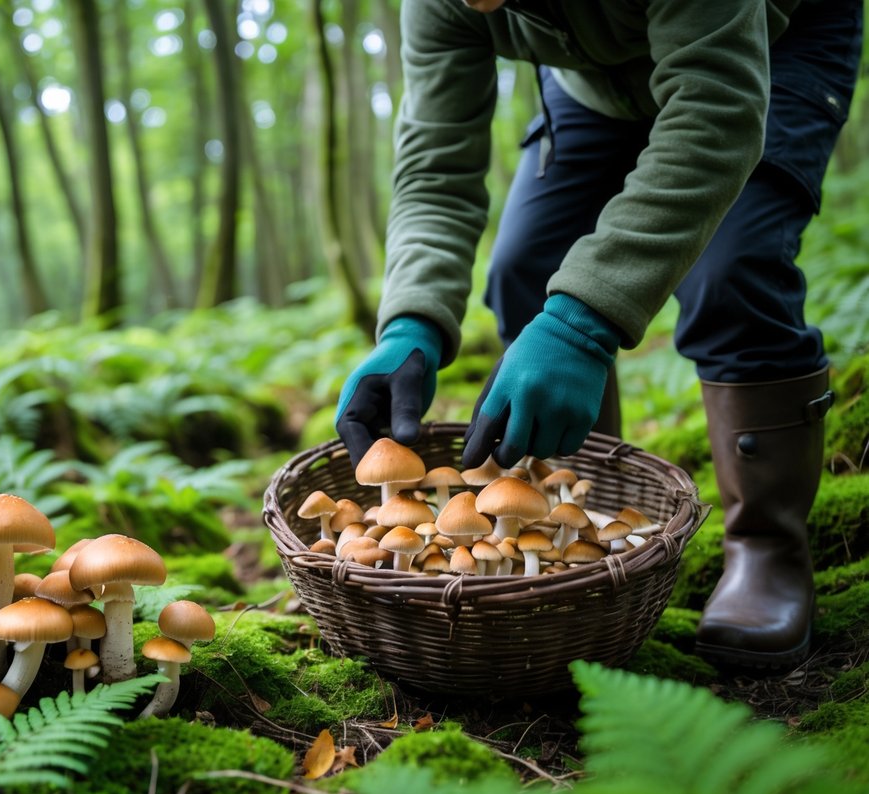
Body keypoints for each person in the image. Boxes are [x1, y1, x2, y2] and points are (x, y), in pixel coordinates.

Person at [334, 0, 863, 671]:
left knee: (730, 270)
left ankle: (766, 546)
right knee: (526, 266)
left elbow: (714, 109)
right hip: (591, 84)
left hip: (764, 44)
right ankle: (574, 529)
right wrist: (409, 322)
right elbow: (434, 167)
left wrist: (583, 324)